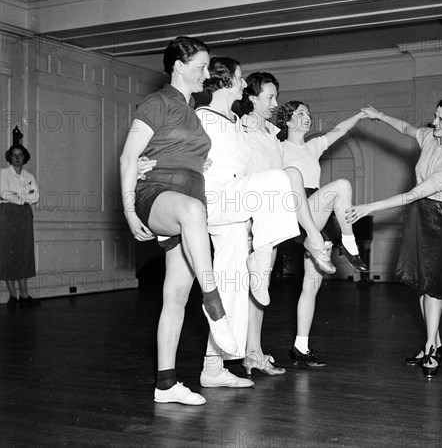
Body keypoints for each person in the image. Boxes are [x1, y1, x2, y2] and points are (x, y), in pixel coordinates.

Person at [120, 36, 237, 406]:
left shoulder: (192, 109)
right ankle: (215, 303)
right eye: (201, 66)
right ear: (179, 67)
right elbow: (127, 159)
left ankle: (166, 384)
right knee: (191, 211)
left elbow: (180, 151)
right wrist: (127, 210)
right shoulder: (157, 102)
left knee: (175, 295)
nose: (207, 73)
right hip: (157, 196)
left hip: (189, 200)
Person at [345, 98, 442, 378]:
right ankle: (435, 343)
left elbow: (415, 193)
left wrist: (369, 207)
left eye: (441, 120)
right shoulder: (429, 137)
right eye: (436, 116)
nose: (434, 122)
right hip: (419, 216)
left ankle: (429, 348)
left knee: (434, 286)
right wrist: (379, 115)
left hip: (438, 220)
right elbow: (405, 127)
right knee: (421, 283)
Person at [196, 58, 301, 388]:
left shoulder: (232, 120)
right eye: (240, 79)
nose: (244, 84)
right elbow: (173, 151)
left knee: (232, 286)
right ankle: (261, 259)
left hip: (233, 203)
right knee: (278, 179)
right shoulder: (201, 117)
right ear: (225, 82)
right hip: (213, 199)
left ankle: (213, 367)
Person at [237, 72, 336, 376]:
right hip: (243, 214)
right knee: (238, 288)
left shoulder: (271, 133)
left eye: (276, 96)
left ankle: (253, 352)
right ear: (251, 97)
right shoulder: (236, 128)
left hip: (269, 217)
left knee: (259, 288)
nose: (275, 103)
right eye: (269, 97)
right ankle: (217, 359)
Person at [275, 100, 368, 367]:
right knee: (341, 185)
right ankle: (349, 245)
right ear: (287, 120)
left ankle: (300, 348)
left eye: (308, 112)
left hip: (317, 210)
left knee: (311, 285)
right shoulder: (278, 148)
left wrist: (360, 114)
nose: (307, 117)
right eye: (300, 113)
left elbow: (339, 130)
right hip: (294, 208)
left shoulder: (312, 146)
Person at [0, 143, 40, 308]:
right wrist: (23, 197)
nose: (17, 158)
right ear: (10, 157)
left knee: (23, 253)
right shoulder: (3, 174)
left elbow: (35, 195)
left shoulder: (29, 176)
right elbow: (4, 192)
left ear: (24, 157)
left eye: (20, 155)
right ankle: (13, 295)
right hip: (7, 215)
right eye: (14, 155)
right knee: (8, 253)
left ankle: (24, 294)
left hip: (24, 216)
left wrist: (18, 197)